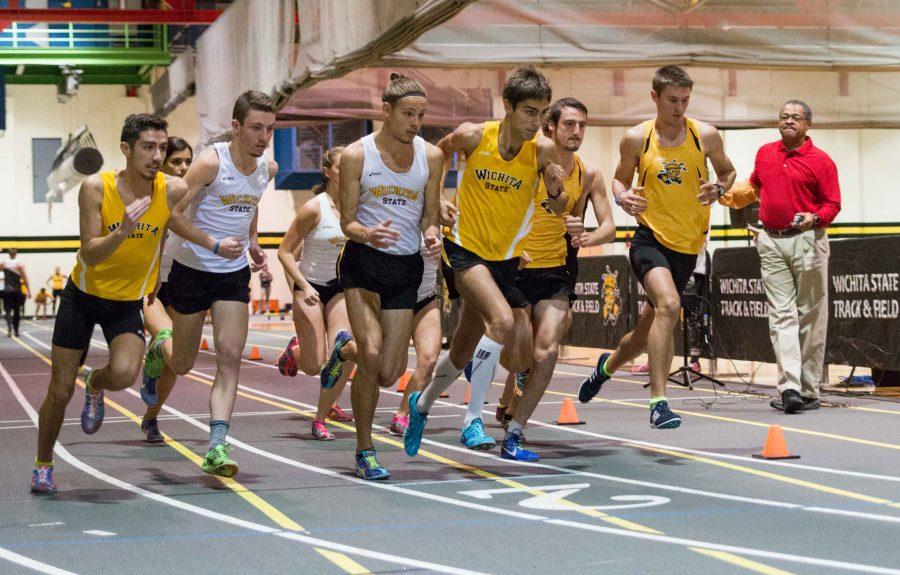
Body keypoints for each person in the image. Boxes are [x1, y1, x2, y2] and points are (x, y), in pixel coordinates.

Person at [404, 66, 567, 458]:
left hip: (505, 258)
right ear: (508, 106)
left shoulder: (542, 150)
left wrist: (557, 189)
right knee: (503, 321)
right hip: (464, 248)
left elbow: (559, 204)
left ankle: (421, 404)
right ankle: (472, 420)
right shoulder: (474, 136)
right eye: (529, 111)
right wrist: (437, 200)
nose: (537, 122)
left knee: (463, 350)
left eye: (543, 113)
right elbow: (436, 154)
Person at [30, 114, 185, 493]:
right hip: (81, 299)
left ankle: (95, 383)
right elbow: (91, 253)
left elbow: (183, 220)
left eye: (162, 148)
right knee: (60, 390)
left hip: (126, 302)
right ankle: (43, 463)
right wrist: (124, 232)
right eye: (148, 147)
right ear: (126, 149)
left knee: (125, 374)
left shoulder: (172, 189)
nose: (157, 155)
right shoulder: (95, 187)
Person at [577, 65, 736, 430]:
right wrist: (623, 197)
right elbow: (619, 180)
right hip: (649, 240)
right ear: (654, 97)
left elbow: (727, 173)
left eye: (685, 101)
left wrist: (720, 188)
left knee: (641, 336)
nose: (679, 108)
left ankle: (606, 367)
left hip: (687, 247)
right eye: (671, 101)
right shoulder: (636, 138)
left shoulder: (706, 136)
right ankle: (659, 403)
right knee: (669, 304)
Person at [142, 91, 277, 477]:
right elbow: (172, 214)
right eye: (256, 128)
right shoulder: (209, 163)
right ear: (236, 127)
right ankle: (160, 348)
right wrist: (213, 243)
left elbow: (251, 203)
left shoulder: (268, 167)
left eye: (269, 128)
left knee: (230, 357)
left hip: (231, 276)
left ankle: (217, 444)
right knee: (182, 364)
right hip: (192, 269)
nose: (263, 136)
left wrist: (252, 241)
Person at [496, 97, 616, 461]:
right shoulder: (526, 162)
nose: (576, 131)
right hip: (516, 266)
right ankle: (500, 373)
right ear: (551, 126)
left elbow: (609, 226)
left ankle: (515, 431)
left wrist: (586, 237)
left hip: (556, 270)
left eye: (582, 125)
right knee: (519, 356)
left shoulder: (588, 172)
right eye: (569, 124)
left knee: (546, 352)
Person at [337, 74, 444, 479]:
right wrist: (367, 233)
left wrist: (433, 237)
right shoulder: (356, 156)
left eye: (421, 115)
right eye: (408, 114)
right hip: (363, 263)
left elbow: (430, 217)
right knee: (372, 354)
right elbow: (347, 221)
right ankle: (365, 450)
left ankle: (342, 351)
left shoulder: (431, 157)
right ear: (386, 111)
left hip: (405, 268)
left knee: (388, 372)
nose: (416, 123)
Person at [719, 100, 840, 414]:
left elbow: (832, 204)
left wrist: (814, 218)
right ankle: (790, 388)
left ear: (807, 125)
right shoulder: (766, 152)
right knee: (781, 315)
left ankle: (810, 389)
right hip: (770, 240)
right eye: (784, 117)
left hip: (808, 241)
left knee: (811, 317)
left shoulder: (821, 161)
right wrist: (724, 195)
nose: (788, 121)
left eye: (795, 118)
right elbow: (754, 186)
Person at [276, 146, 357, 440]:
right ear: (327, 171)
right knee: (313, 364)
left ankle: (322, 416)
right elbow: (285, 252)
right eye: (341, 167)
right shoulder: (314, 208)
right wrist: (302, 285)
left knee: (345, 349)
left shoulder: (358, 205)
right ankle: (296, 352)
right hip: (310, 284)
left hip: (341, 289)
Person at [136, 136, 193, 443]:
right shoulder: (149, 194)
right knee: (166, 338)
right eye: (176, 161)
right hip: (150, 285)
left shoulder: (197, 194)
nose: (183, 168)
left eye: (187, 162)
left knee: (177, 362)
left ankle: (151, 417)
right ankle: (154, 353)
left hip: (184, 283)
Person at [387, 238, 442, 437]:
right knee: (391, 372)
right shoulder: (399, 213)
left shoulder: (440, 220)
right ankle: (346, 350)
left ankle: (402, 415)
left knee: (429, 360)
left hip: (426, 299)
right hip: (396, 300)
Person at [1, 248, 29, 337]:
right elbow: (24, 278)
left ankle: (9, 327)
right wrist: (29, 290)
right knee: (17, 311)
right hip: (17, 291)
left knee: (8, 310)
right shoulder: (19, 264)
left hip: (7, 291)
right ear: (16, 254)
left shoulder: (4, 264)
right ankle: (16, 330)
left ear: (9, 254)